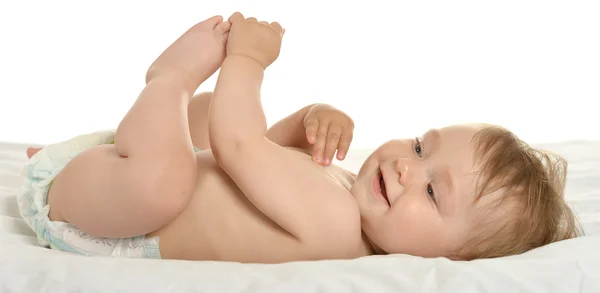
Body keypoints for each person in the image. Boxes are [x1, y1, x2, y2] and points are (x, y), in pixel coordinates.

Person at [18, 12, 582, 263]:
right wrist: (310, 118)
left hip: (99, 220)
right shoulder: (341, 193)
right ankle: (90, 155)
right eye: (419, 146)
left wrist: (249, 60)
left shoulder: (337, 227)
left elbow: (237, 145)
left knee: (168, 177)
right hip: (104, 184)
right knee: (206, 122)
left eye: (434, 193)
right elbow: (268, 153)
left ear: (457, 260)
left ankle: (168, 81)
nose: (408, 169)